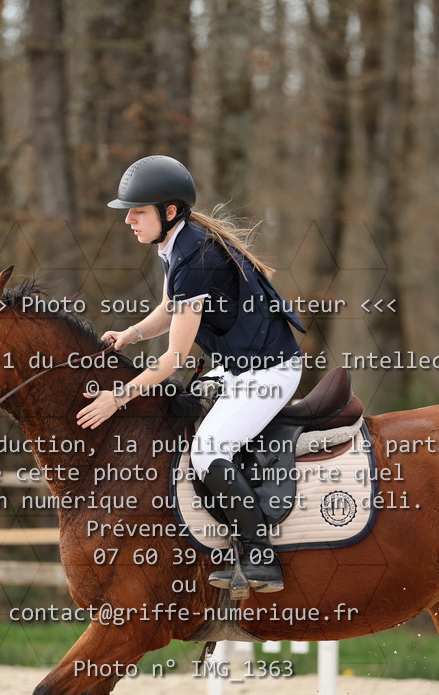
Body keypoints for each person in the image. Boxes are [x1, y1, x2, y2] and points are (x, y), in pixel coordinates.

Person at [76, 155, 305, 593]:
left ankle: (260, 557)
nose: (128, 220)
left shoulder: (197, 257)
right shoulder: (178, 244)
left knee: (208, 451)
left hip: (268, 373)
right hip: (240, 367)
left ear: (169, 211)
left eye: (137, 211)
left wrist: (116, 399)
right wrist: (131, 334)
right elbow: (170, 310)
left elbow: (173, 360)